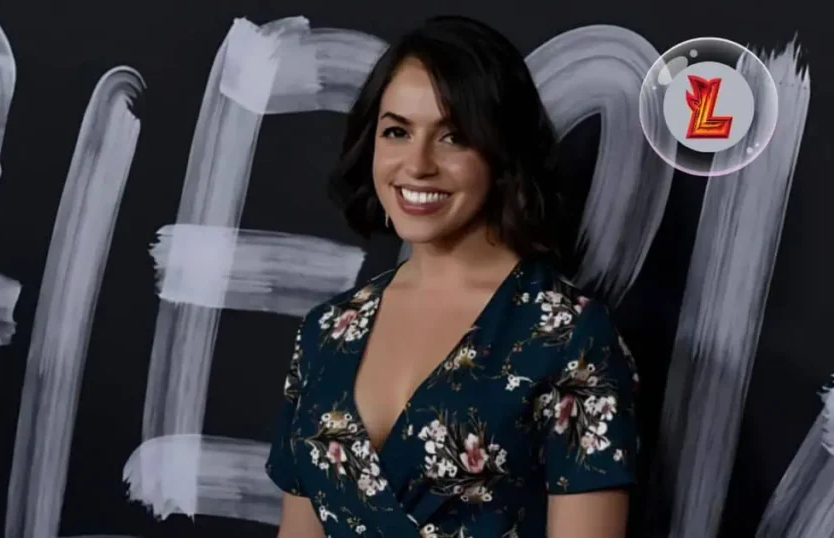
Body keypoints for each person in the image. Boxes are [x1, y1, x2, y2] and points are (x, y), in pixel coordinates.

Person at [265, 14, 640, 538]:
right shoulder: (326, 331)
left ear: (501, 152)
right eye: (397, 131)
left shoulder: (570, 337)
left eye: (453, 137)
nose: (417, 164)